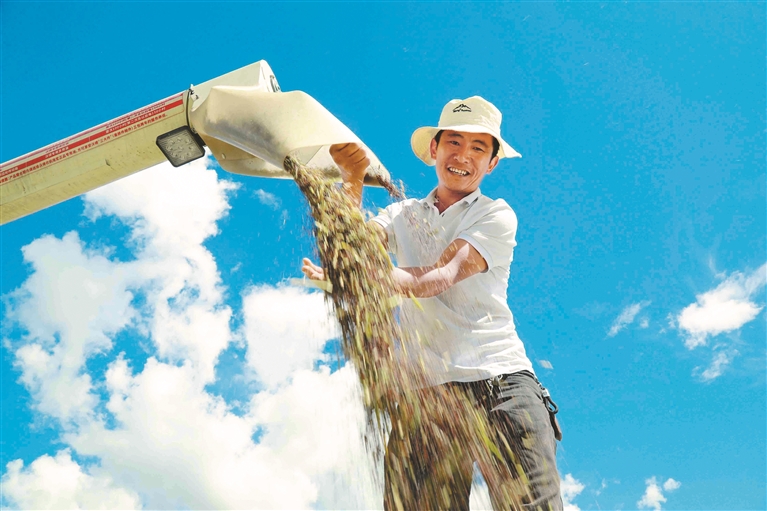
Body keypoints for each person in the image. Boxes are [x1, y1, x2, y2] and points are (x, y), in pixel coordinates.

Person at [302, 96, 562, 510]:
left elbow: (439, 277)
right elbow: (350, 248)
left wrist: (359, 277)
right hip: (424, 396)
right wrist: (352, 178)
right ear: (434, 149)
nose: (463, 156)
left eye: (478, 148)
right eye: (454, 142)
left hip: (501, 384)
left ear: (492, 163)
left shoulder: (495, 215)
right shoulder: (401, 213)